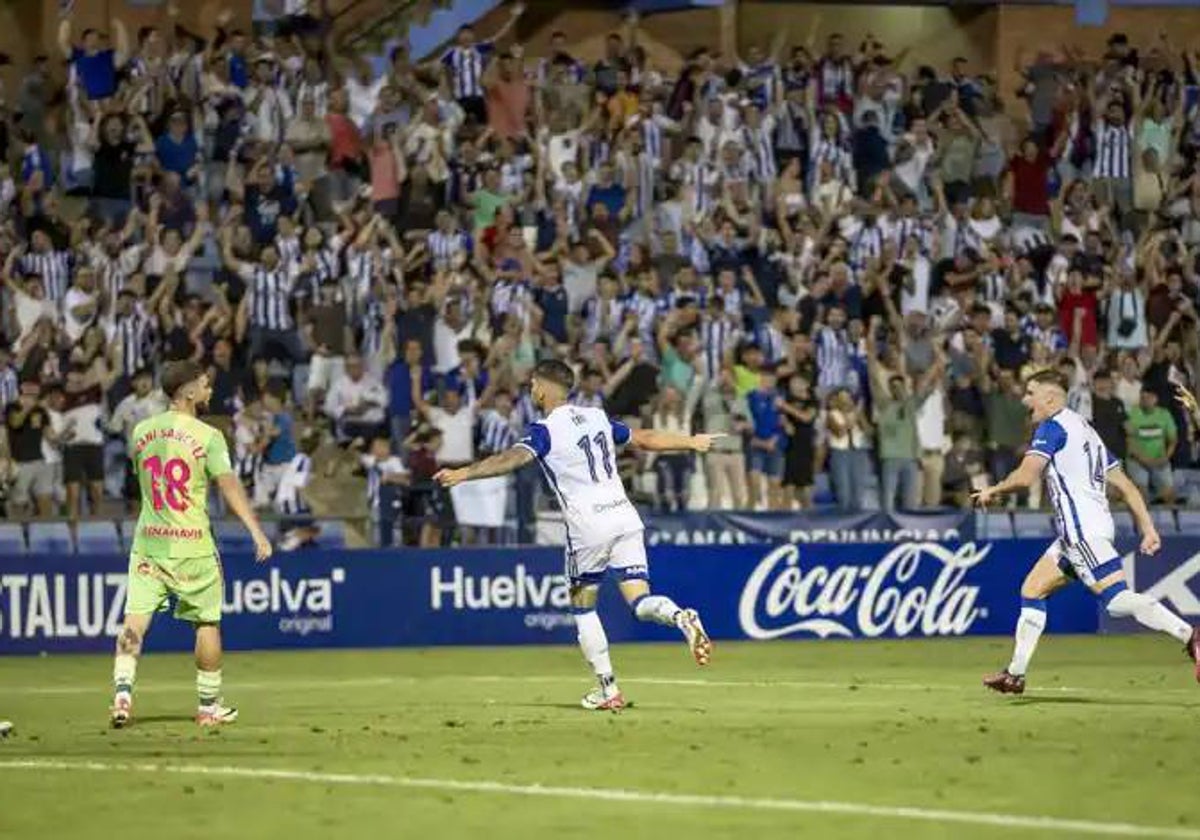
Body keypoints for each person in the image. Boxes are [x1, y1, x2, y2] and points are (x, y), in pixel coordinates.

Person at [435, 359, 717, 710]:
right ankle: (680, 616)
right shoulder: (597, 417)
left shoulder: (545, 430)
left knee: (583, 609)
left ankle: (608, 689)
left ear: (542, 387)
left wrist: (464, 474)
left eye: (533, 384)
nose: (531, 391)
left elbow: (510, 459)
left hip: (589, 527)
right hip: (625, 517)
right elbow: (643, 438)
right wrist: (691, 441)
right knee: (641, 603)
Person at [971, 369, 1199, 693]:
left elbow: (1026, 475)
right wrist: (1148, 528)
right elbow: (1127, 486)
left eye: (1031, 392)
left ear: (1050, 397)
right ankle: (1015, 674)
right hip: (1085, 530)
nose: (1026, 399)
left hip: (1082, 532)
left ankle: (1190, 636)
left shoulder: (1052, 428)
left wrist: (993, 490)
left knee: (1116, 600)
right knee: (1032, 589)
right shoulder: (1086, 431)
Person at [110, 360, 273, 729]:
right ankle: (208, 707)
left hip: (149, 544)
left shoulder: (141, 432)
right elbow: (229, 486)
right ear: (187, 391)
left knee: (135, 621)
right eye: (204, 384)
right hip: (193, 546)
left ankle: (122, 696)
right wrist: (256, 531)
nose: (210, 390)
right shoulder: (208, 436)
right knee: (207, 623)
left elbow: (142, 481)